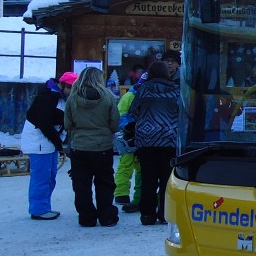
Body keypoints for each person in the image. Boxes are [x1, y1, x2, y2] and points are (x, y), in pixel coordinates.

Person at [64, 67, 120, 228]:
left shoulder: (73, 98)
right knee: (105, 182)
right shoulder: (108, 97)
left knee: (81, 184)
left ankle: (86, 217)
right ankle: (107, 216)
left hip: (79, 147)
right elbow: (115, 123)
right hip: (102, 146)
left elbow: (67, 124)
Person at [132, 59, 181, 226]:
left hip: (146, 140)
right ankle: (164, 213)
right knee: (167, 178)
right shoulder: (176, 90)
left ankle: (147, 214)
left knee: (148, 178)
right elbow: (184, 113)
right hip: (169, 139)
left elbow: (134, 111)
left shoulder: (143, 89)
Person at [22, 71, 75, 221]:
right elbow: (44, 123)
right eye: (71, 88)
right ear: (63, 85)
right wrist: (59, 144)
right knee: (41, 177)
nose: (72, 92)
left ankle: (43, 206)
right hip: (39, 142)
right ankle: (38, 209)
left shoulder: (57, 96)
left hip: (47, 142)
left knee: (50, 176)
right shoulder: (47, 97)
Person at [113, 73, 145, 213]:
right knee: (126, 164)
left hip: (142, 136)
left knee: (140, 169)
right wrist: (129, 129)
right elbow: (121, 115)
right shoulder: (130, 96)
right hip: (129, 137)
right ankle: (121, 194)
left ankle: (136, 196)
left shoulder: (142, 95)